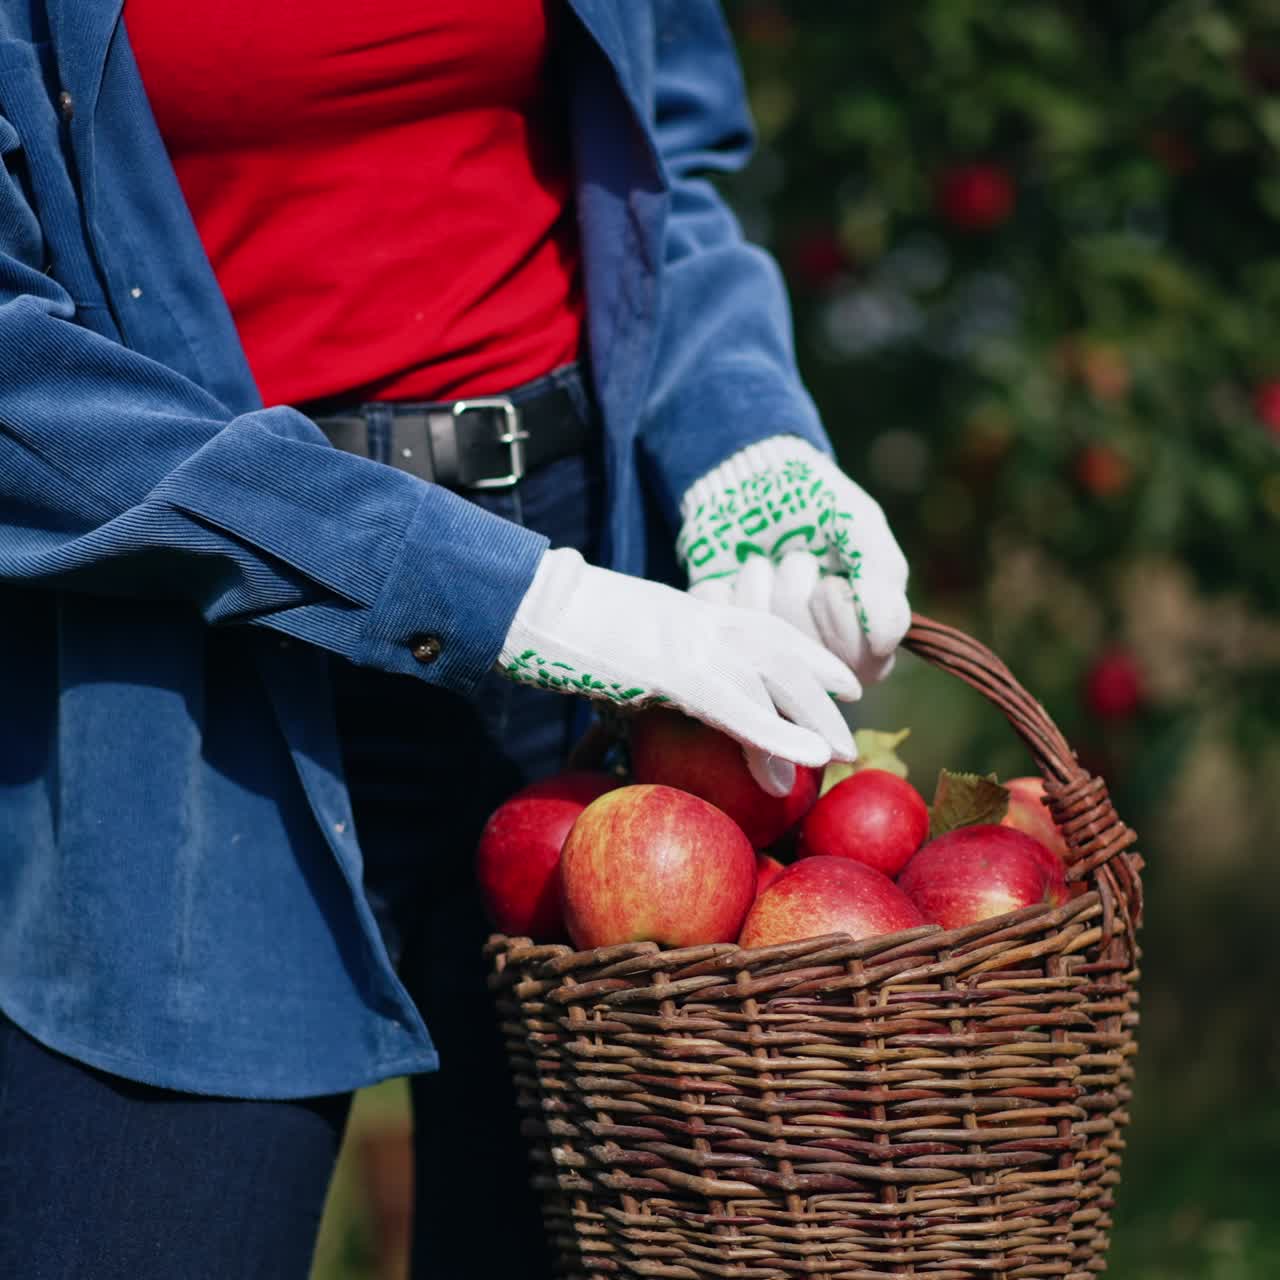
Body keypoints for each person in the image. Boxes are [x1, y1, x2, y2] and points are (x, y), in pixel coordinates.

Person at [0, 2, 910, 1276]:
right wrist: (510, 598)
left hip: (600, 652)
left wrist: (737, 423)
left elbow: (671, 162)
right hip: (180, 653)